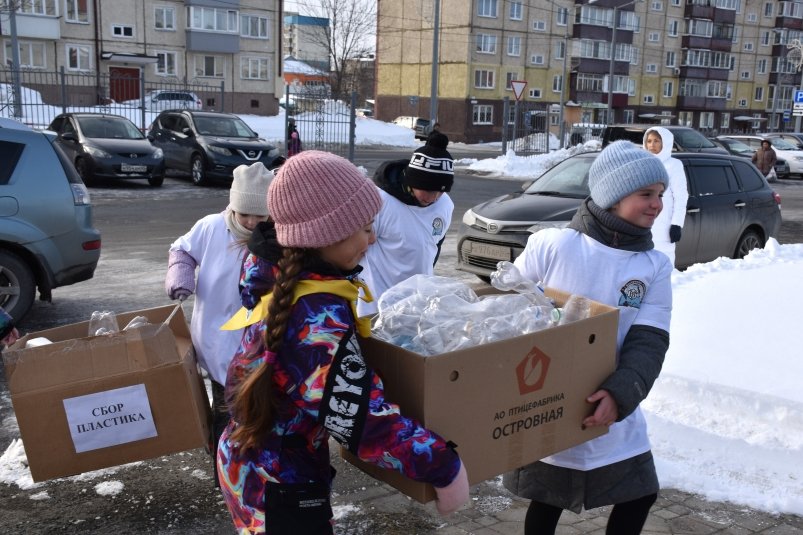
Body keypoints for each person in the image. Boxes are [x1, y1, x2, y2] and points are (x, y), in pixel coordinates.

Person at [217, 150, 469, 534]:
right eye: (365, 228)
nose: (372, 238)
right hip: (279, 487)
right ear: (325, 235)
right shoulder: (313, 319)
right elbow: (360, 415)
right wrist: (442, 466)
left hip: (261, 467)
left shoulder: (288, 278)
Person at [503, 140, 673, 535]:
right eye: (645, 194)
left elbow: (650, 339)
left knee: (639, 492)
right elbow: (506, 310)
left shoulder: (653, 266)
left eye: (660, 195)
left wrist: (621, 393)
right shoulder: (555, 245)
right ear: (612, 197)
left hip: (612, 398)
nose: (657, 205)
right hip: (548, 396)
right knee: (546, 500)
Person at [164, 161, 272, 482]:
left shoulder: (274, 238)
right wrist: (180, 276)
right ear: (233, 207)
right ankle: (225, 474)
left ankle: (250, 468)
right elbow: (182, 250)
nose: (252, 222)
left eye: (260, 216)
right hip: (215, 337)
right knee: (225, 413)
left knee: (253, 412)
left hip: (255, 342)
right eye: (245, 214)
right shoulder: (211, 227)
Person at [356, 131, 455, 317]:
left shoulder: (445, 205)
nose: (433, 198)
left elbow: (433, 246)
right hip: (376, 306)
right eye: (427, 190)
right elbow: (354, 250)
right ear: (411, 182)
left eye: (439, 192)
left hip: (417, 305)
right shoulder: (380, 201)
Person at [643, 126, 689, 267]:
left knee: (663, 266)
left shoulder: (674, 165)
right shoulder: (641, 164)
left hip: (663, 226)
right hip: (641, 224)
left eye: (656, 141)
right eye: (649, 141)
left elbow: (681, 197)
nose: (652, 145)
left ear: (666, 143)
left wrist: (676, 224)